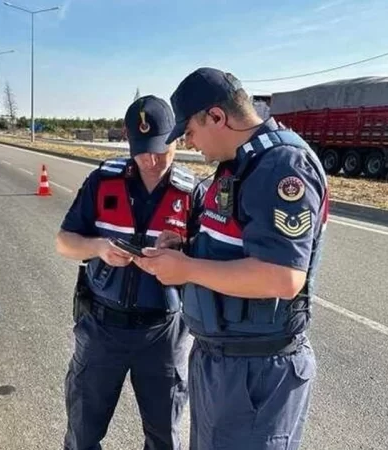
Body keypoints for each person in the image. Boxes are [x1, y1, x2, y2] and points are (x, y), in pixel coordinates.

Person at [134, 68, 329, 450]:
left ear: (217, 117)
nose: (189, 144)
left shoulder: (282, 165)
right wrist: (185, 249)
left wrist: (187, 269)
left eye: (189, 132)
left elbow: (283, 278)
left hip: (256, 371)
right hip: (221, 362)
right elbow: (231, 245)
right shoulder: (236, 165)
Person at [55, 95, 206, 450]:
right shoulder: (103, 181)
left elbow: (207, 264)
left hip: (163, 335)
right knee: (82, 435)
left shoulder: (193, 193)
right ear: (128, 140)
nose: (151, 161)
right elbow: (64, 241)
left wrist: (182, 253)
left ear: (176, 139)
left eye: (160, 150)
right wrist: (98, 248)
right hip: (102, 329)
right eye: (141, 151)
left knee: (164, 438)